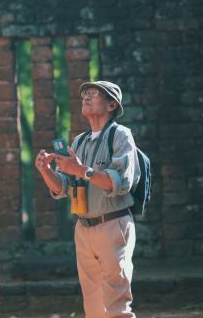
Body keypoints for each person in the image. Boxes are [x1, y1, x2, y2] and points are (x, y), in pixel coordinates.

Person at [35, 80, 140, 318]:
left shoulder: (120, 135)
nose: (86, 97)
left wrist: (82, 170)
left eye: (94, 94)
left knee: (116, 303)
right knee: (92, 304)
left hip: (113, 224)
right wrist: (45, 170)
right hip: (83, 228)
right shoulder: (79, 141)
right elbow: (63, 188)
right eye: (84, 94)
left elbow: (119, 182)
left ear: (112, 104)